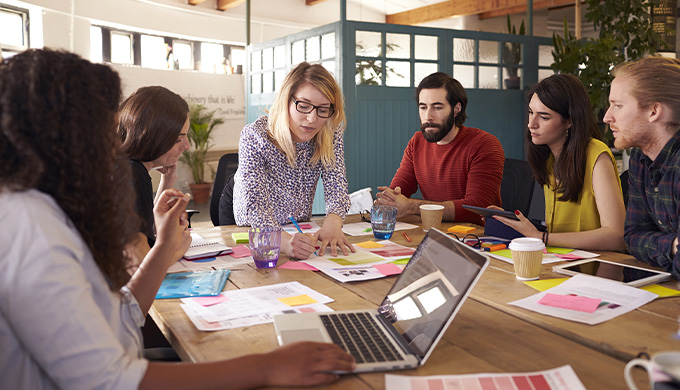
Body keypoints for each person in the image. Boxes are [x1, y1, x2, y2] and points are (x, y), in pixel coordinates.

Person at [0, 49, 354, 389]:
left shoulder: (46, 209)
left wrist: (165, 246)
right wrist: (268, 366)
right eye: (106, 131)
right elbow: (109, 381)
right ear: (60, 138)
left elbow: (121, 318)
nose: (116, 145)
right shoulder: (30, 231)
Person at [230, 62, 355, 259]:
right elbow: (256, 206)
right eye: (303, 106)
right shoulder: (255, 135)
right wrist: (285, 243)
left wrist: (333, 220)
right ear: (286, 101)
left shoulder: (330, 131)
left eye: (323, 109)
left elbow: (336, 182)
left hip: (297, 223)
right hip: (251, 226)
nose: (312, 118)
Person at [492, 74, 626, 251]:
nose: (531, 124)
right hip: (559, 262)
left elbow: (616, 237)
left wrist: (541, 237)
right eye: (531, 112)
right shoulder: (548, 158)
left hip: (592, 270)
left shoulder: (596, 155)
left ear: (569, 121)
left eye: (544, 117)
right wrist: (514, 222)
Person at [374, 72, 504, 224]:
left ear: (456, 109)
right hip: (433, 231)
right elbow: (396, 194)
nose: (428, 116)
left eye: (437, 107)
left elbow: (477, 208)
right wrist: (389, 200)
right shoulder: (417, 142)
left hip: (476, 238)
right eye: (423, 107)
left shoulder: (484, 144)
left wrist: (411, 207)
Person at [603, 56, 680, 278]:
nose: (608, 117)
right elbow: (633, 236)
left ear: (653, 111)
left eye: (618, 105)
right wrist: (673, 245)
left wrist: (659, 246)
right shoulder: (640, 158)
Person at [118, 86, 191, 256]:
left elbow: (147, 229)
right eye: (177, 139)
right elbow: (139, 265)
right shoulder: (132, 175)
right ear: (150, 136)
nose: (186, 146)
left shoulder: (126, 166)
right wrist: (178, 249)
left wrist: (168, 180)